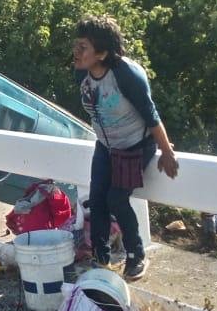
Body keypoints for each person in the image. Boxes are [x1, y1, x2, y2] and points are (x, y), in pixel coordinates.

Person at [73, 16, 179, 281]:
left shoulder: (125, 75)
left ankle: (136, 256)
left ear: (102, 53)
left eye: (83, 47)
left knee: (117, 199)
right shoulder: (82, 72)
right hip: (105, 145)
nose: (76, 51)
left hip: (135, 145)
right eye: (76, 44)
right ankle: (100, 259)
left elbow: (151, 114)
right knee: (97, 199)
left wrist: (166, 152)